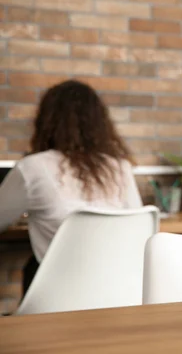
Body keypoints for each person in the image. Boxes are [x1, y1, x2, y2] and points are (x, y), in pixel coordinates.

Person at [0, 80, 142, 293]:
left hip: (58, 297)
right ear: (100, 123)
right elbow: (138, 227)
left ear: (46, 121)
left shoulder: (33, 168)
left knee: (34, 266)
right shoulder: (120, 167)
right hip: (116, 293)